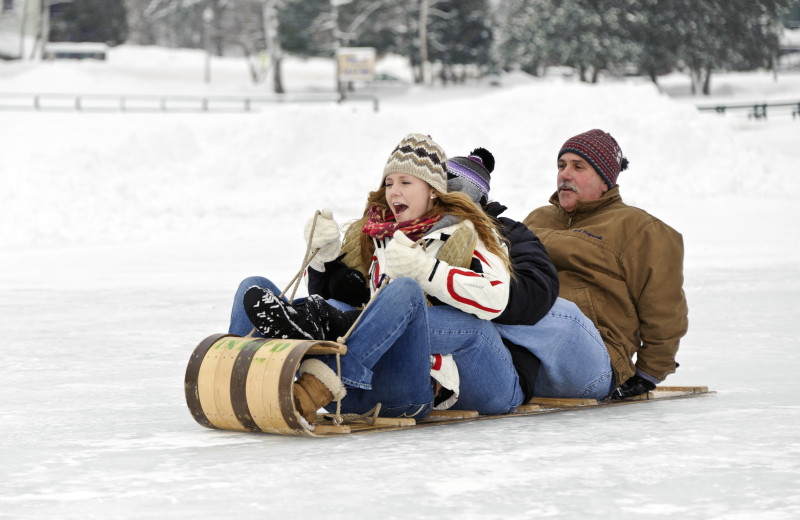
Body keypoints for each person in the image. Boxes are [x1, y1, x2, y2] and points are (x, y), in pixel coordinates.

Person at [230, 133, 521, 426]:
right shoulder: (379, 232)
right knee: (253, 286)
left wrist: (424, 269)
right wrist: (323, 257)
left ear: (433, 190)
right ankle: (236, 383)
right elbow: (345, 293)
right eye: (389, 182)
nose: (394, 191)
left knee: (403, 291)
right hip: (362, 383)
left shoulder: (466, 228)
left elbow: (497, 297)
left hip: (410, 385)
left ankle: (318, 367)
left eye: (406, 182)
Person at [521, 129, 689, 399]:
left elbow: (664, 308)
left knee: (548, 310)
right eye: (561, 166)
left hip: (590, 354)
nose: (565, 174)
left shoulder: (638, 228)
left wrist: (649, 372)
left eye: (578, 167)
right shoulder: (537, 219)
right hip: (525, 350)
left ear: (604, 180)